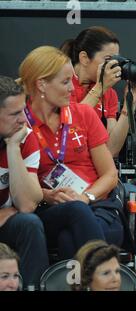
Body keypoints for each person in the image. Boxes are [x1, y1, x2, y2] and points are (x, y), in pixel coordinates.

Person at [18, 46, 124, 259]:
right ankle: (102, 274)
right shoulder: (19, 123)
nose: (72, 89)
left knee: (69, 238)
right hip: (48, 208)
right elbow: (17, 184)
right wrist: (46, 195)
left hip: (97, 204)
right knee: (74, 213)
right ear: (41, 85)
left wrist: (86, 197)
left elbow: (111, 175)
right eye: (65, 82)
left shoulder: (83, 113)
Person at [61, 26, 136, 157]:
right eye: (108, 59)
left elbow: (111, 150)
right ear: (84, 58)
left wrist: (129, 105)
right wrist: (100, 88)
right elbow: (69, 127)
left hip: (94, 167)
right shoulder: (63, 83)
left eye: (116, 60)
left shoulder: (109, 93)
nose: (114, 65)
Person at [0, 76, 48, 288]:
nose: (23, 120)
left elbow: (27, 205)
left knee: (29, 223)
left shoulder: (24, 137)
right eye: (14, 114)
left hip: (7, 221)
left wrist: (12, 148)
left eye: (23, 110)